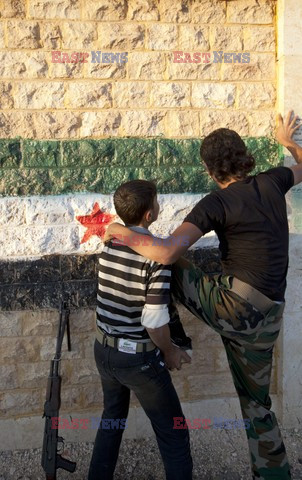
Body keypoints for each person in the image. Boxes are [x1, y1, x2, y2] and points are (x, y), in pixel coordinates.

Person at [105, 111, 302, 480]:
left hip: (236, 309)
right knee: (257, 406)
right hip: (269, 316)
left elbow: (165, 253)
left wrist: (120, 231)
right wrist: (288, 142)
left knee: (170, 259)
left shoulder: (216, 203)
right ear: (244, 157)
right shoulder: (274, 180)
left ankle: (173, 338)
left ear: (210, 171)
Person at [88, 179, 192, 480]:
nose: (159, 205)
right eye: (157, 201)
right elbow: (154, 319)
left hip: (104, 352)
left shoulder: (110, 243)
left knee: (112, 422)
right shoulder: (157, 255)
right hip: (138, 360)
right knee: (174, 433)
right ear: (149, 214)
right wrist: (170, 351)